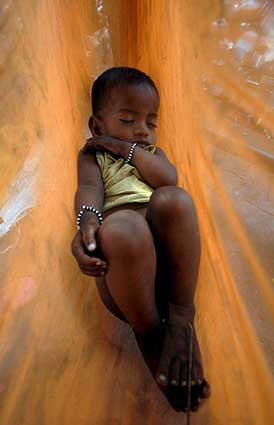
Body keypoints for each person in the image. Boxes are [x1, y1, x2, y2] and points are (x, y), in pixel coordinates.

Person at [71, 66, 210, 412]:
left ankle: (181, 317)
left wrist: (127, 149)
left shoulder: (153, 155)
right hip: (125, 272)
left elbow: (169, 179)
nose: (143, 130)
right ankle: (154, 338)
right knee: (124, 227)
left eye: (151, 121)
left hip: (169, 262)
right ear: (97, 126)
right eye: (129, 120)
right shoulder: (93, 156)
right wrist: (87, 222)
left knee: (174, 199)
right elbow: (88, 192)